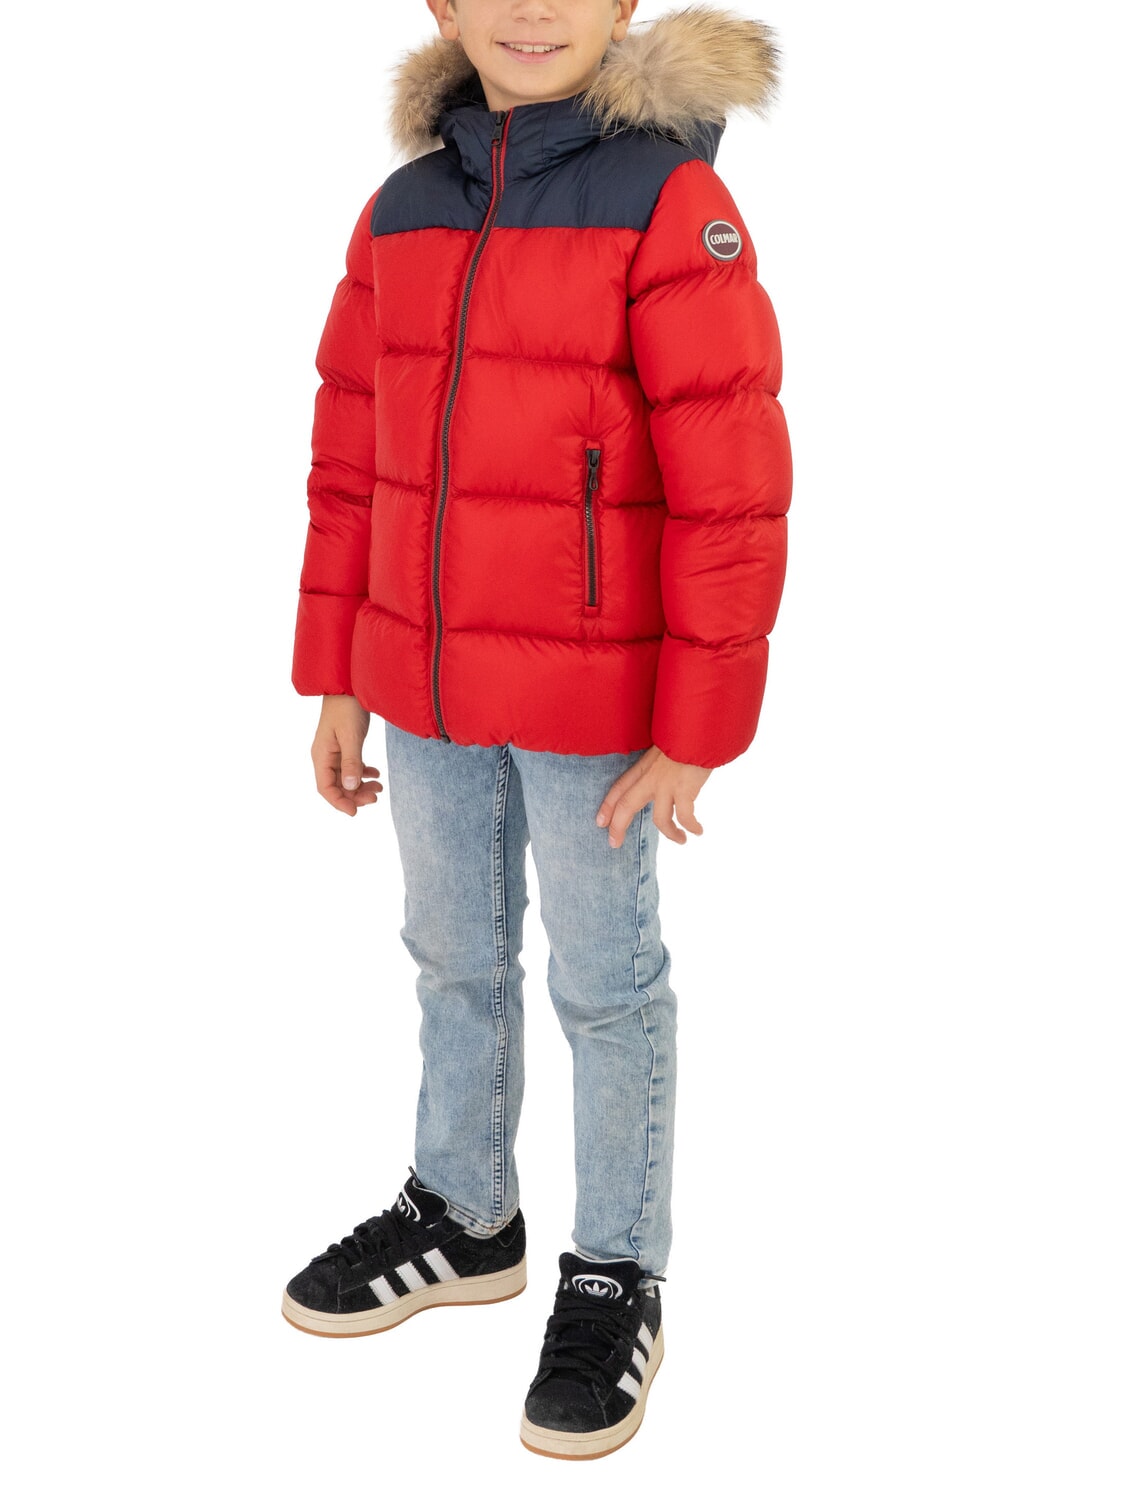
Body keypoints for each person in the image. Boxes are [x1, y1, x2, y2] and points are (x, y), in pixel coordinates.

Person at [283, 0, 791, 1461]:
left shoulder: (664, 202)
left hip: (596, 699)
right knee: (451, 955)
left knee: (605, 985)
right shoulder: (402, 208)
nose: (530, 9)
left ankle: (616, 1266)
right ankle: (464, 1212)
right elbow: (350, 450)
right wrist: (339, 669)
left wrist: (696, 721)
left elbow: (731, 477)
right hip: (424, 682)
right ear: (441, 6)